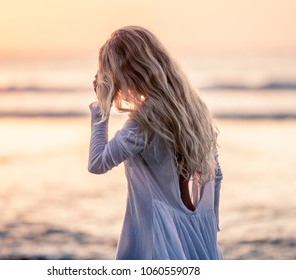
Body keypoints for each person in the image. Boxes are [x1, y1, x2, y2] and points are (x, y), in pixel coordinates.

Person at [88, 26, 223, 260]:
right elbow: (217, 174)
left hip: (156, 239)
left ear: (128, 71)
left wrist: (101, 106)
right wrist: (210, 224)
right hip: (196, 237)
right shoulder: (194, 108)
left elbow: (97, 163)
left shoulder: (145, 121)